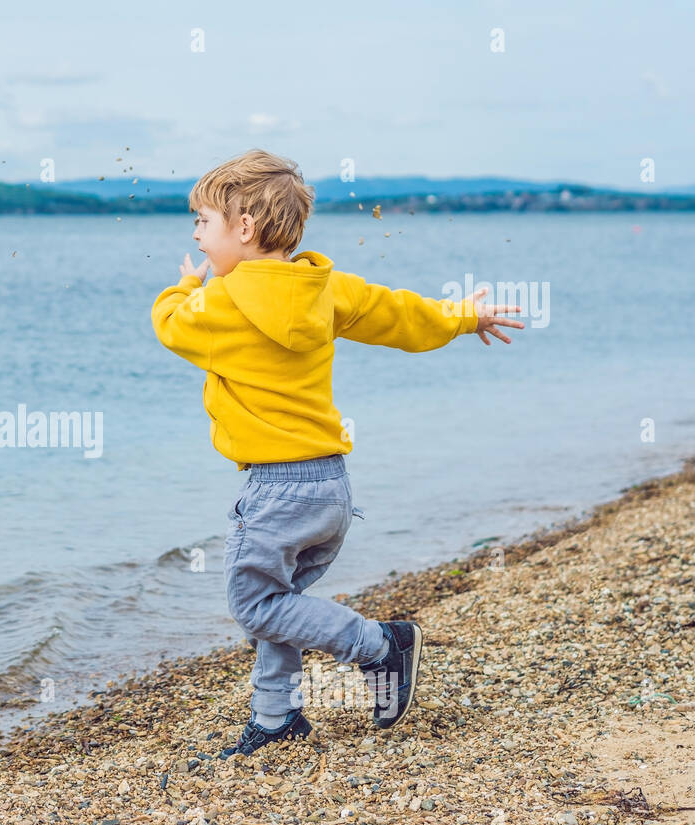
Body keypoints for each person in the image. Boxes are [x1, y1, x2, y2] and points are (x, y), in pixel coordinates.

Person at [150, 149, 524, 759]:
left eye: (202, 221)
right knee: (279, 603)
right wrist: (463, 316)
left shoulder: (218, 303)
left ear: (243, 228)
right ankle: (275, 719)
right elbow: (398, 314)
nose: (195, 233)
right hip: (328, 486)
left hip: (274, 489)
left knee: (255, 602)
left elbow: (169, 323)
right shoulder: (321, 286)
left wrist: (187, 281)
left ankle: (381, 646)